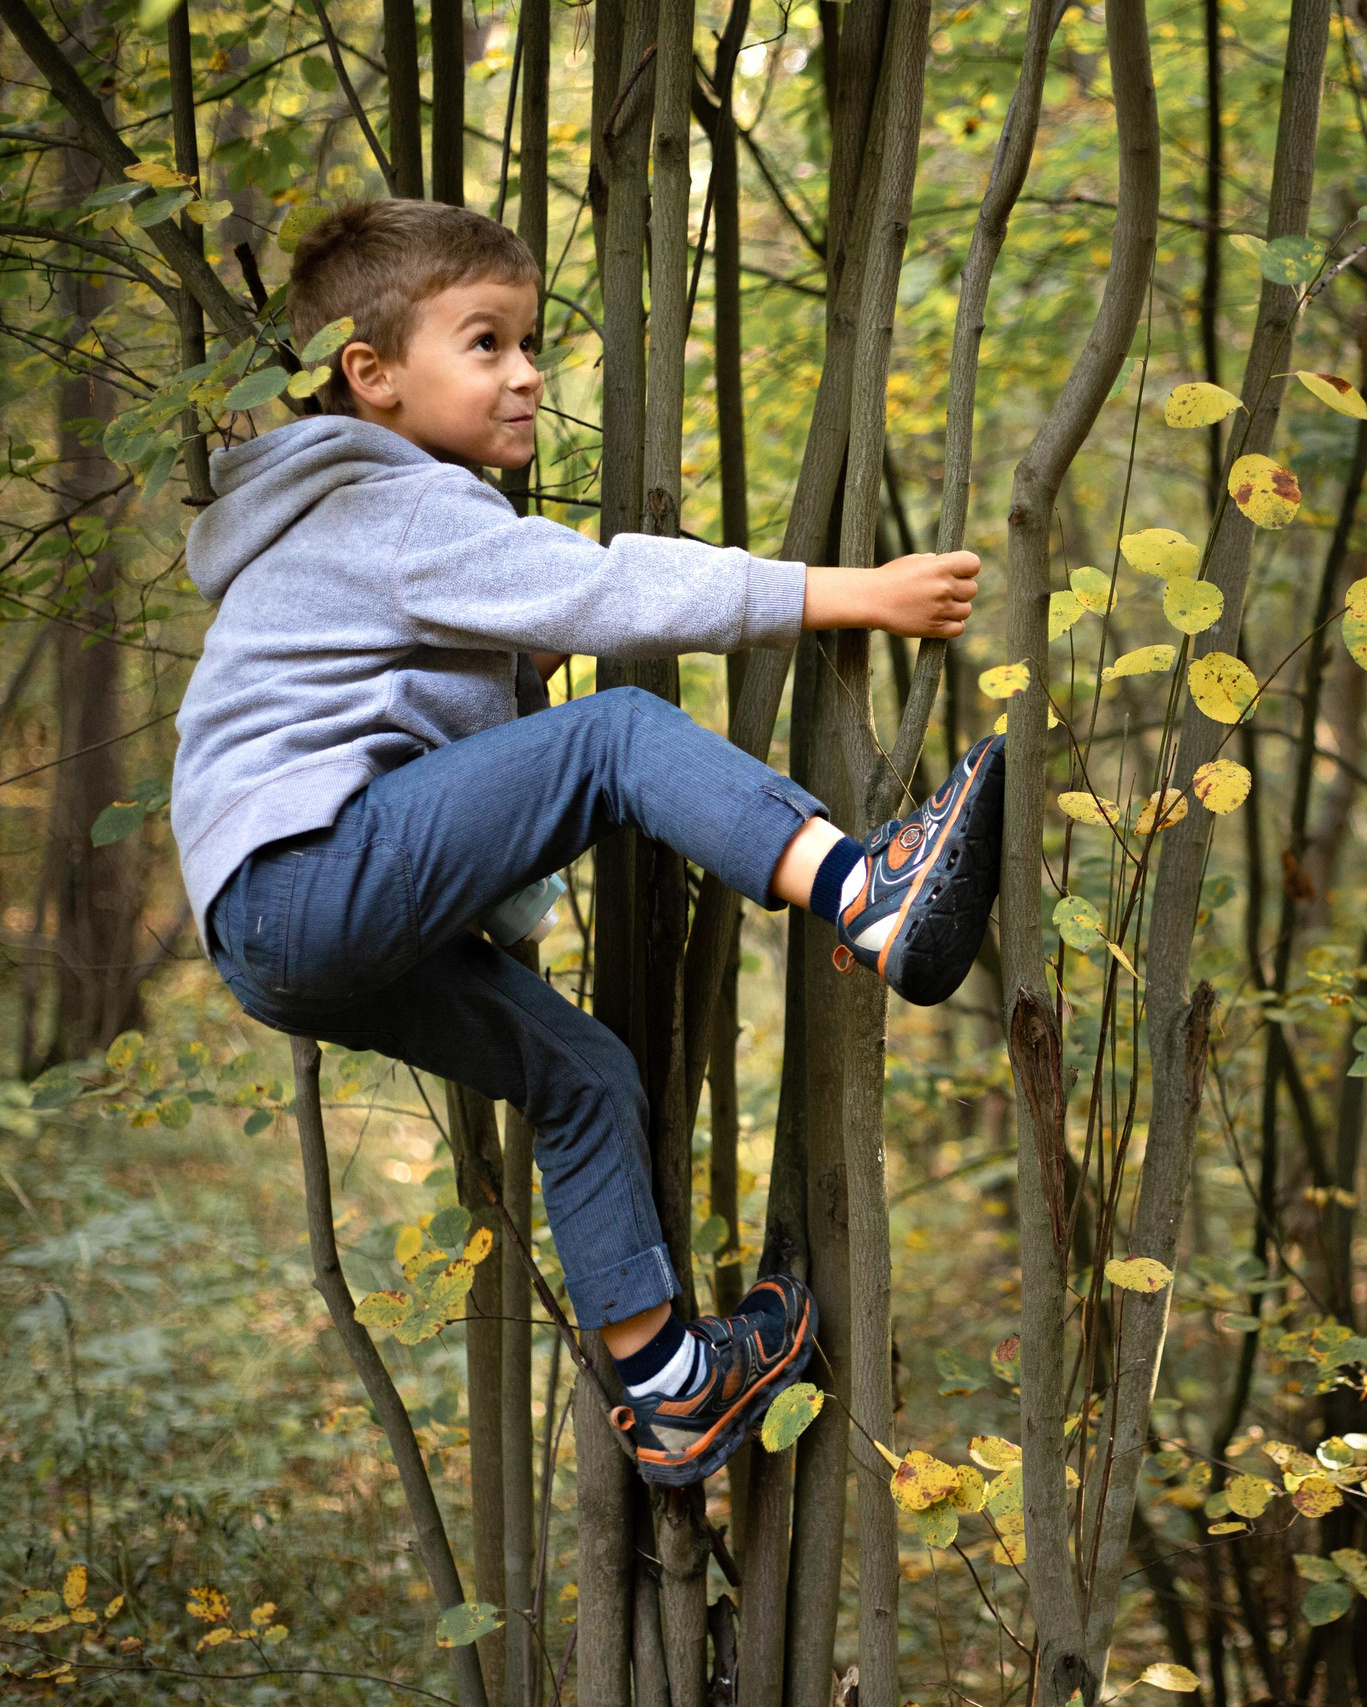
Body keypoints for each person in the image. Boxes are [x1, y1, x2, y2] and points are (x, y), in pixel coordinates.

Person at [170, 199, 1004, 1487]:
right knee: (615, 733)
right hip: (310, 870)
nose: (527, 372)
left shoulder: (341, 527)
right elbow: (608, 591)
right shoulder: (392, 507)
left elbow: (422, 711)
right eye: (487, 343)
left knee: (580, 1072)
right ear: (372, 377)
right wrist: (847, 595)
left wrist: (508, 659)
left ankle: (669, 1389)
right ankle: (865, 890)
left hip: (273, 935)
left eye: (530, 342)